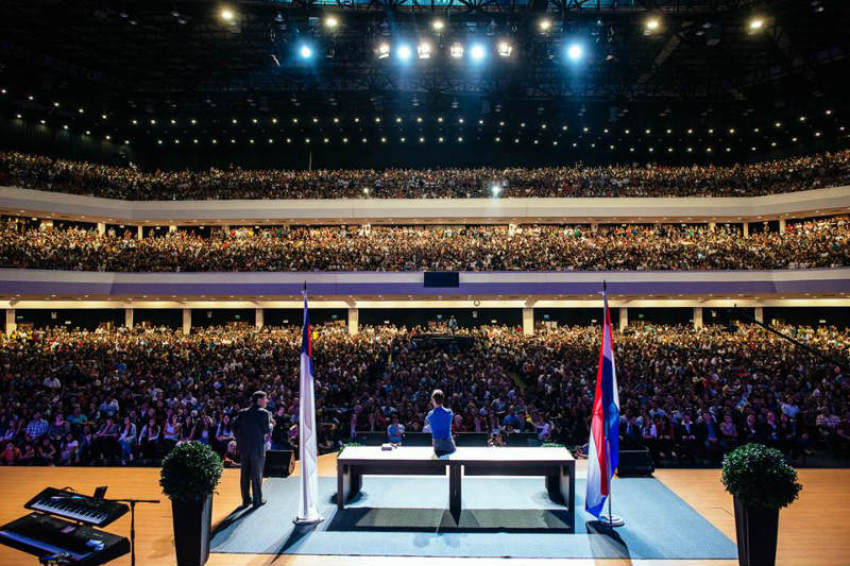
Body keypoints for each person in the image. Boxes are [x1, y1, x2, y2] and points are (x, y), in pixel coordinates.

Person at [234, 391, 273, 508]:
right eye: (265, 399)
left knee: (244, 474)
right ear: (259, 400)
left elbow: (234, 428)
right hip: (257, 449)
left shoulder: (242, 412)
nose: (267, 401)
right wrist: (271, 426)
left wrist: (241, 441)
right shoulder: (264, 413)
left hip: (244, 448)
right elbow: (266, 431)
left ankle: (246, 500)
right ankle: (257, 500)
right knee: (256, 475)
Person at [425, 389, 455, 457]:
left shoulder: (430, 415)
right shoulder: (449, 412)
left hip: (437, 446)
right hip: (449, 445)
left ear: (433, 400)